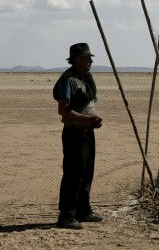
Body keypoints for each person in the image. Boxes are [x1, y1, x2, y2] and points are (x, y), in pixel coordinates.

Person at [53, 43, 104, 229]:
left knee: (86, 172)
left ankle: (84, 210)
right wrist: (87, 119)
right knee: (73, 174)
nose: (91, 61)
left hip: (86, 132)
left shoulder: (86, 77)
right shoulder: (69, 80)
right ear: (77, 59)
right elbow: (64, 112)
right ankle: (67, 216)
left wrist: (90, 122)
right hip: (74, 133)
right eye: (87, 58)